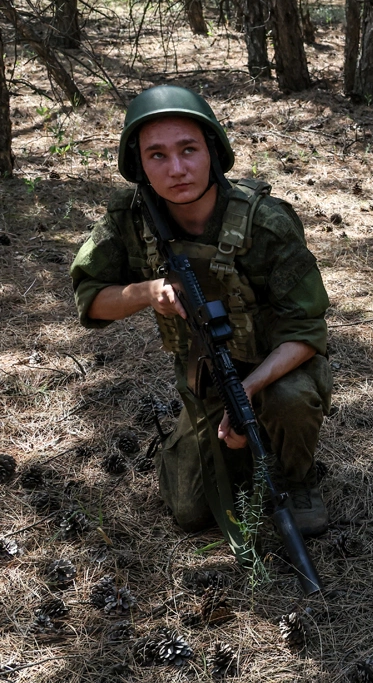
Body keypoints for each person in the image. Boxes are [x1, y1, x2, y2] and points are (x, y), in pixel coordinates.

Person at [70, 85, 332, 553]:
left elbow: (307, 332)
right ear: (140, 166)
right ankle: (245, 451)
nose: (176, 169)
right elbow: (90, 299)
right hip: (205, 378)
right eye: (157, 155)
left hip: (278, 367)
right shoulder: (129, 219)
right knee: (192, 512)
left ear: (213, 151)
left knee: (290, 399)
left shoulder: (266, 223)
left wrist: (248, 392)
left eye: (188, 150)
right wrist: (146, 293)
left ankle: (297, 476)